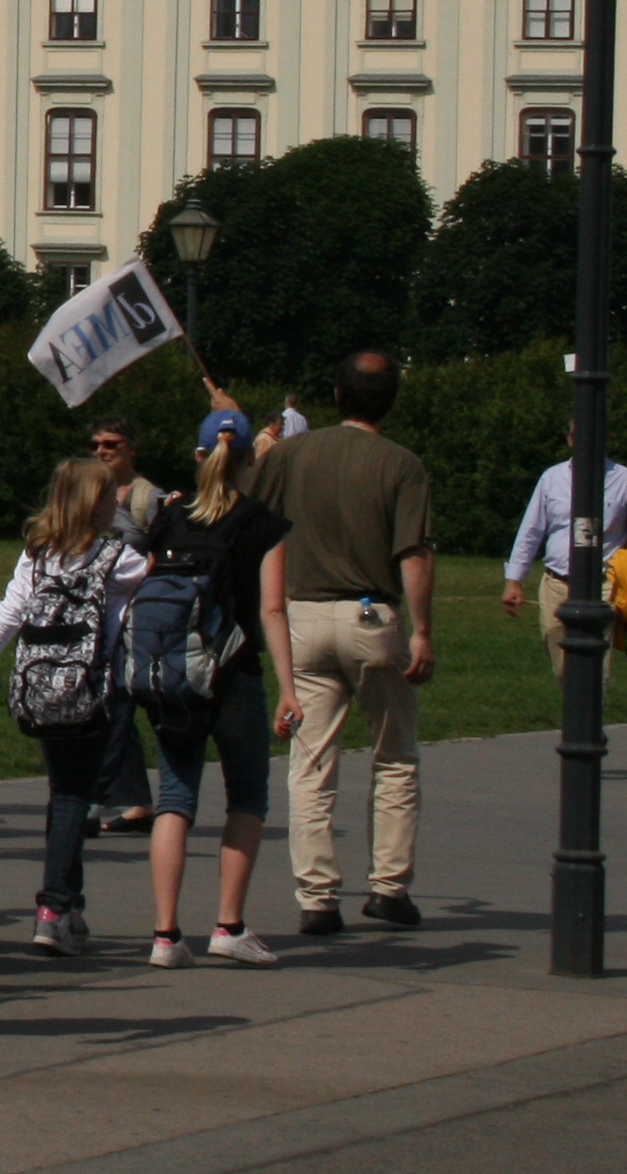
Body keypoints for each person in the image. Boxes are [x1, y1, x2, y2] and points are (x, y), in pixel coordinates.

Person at [249, 348, 434, 935]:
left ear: (336, 395)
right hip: (372, 616)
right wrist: (422, 630)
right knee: (395, 756)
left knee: (310, 763)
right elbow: (412, 554)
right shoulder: (401, 464)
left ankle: (317, 896)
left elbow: (251, 519)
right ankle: (389, 887)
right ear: (391, 401)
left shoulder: (291, 454)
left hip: (302, 616)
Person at [0, 457, 143, 955]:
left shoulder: (37, 554)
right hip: (90, 692)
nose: (116, 503)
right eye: (109, 495)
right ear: (93, 503)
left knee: (64, 792)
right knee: (73, 797)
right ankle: (54, 907)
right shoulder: (118, 559)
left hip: (40, 692)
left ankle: (72, 907)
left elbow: (8, 614)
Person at [141, 411, 288, 967]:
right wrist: (289, 688)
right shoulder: (262, 523)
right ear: (250, 460)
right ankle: (228, 925)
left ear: (199, 456)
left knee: (174, 799)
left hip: (174, 676)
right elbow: (272, 609)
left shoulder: (171, 516)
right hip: (234, 673)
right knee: (247, 796)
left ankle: (165, 935)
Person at [501, 445, 627, 676]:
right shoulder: (552, 477)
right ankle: (572, 700)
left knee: (595, 670)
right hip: (556, 584)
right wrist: (514, 580)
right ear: (570, 439)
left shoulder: (626, 480)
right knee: (562, 668)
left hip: (603, 587)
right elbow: (531, 531)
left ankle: (593, 700)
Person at [80, 420, 164, 837]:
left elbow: (168, 554)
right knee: (115, 707)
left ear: (131, 448)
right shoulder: (90, 493)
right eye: (95, 444)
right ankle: (138, 804)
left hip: (140, 620)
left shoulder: (149, 498)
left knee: (127, 706)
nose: (101, 451)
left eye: (111, 444)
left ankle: (93, 801)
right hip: (99, 619)